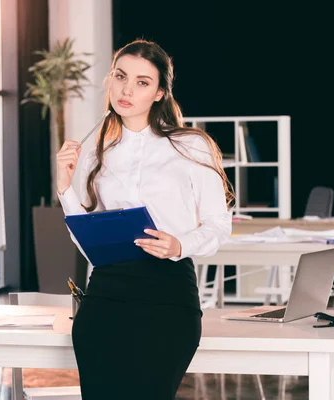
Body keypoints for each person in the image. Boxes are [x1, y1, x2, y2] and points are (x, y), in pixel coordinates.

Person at [55, 39, 233, 400]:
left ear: (159, 93)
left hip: (167, 295)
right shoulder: (95, 151)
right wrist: (64, 189)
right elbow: (90, 242)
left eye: (142, 82)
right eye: (121, 76)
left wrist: (179, 244)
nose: (126, 89)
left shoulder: (191, 146)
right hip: (105, 296)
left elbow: (218, 225)